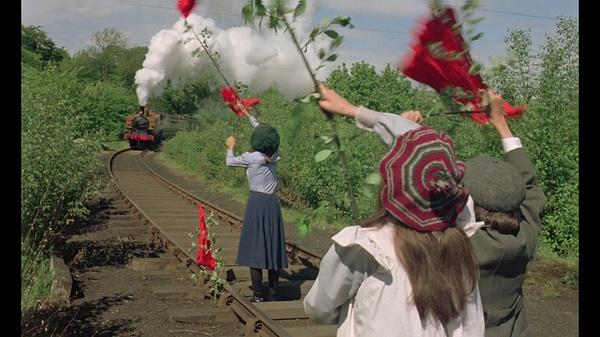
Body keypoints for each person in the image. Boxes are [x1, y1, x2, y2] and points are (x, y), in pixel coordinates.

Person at [303, 84, 485, 336]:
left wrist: (355, 111)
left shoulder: (365, 247)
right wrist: (353, 111)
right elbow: (431, 152)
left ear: (390, 188)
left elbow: (319, 309)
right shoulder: (464, 232)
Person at [461, 91, 546, 337]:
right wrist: (502, 123)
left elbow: (530, 191)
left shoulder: (454, 244)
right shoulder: (524, 236)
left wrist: (410, 135)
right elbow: (531, 189)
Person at [225, 109, 287, 302]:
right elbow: (265, 133)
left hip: (256, 203)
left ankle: (259, 295)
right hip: (272, 204)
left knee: (255, 248)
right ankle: (275, 293)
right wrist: (248, 115)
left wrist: (230, 146)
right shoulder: (275, 155)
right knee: (273, 248)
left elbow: (229, 162)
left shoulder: (252, 158)